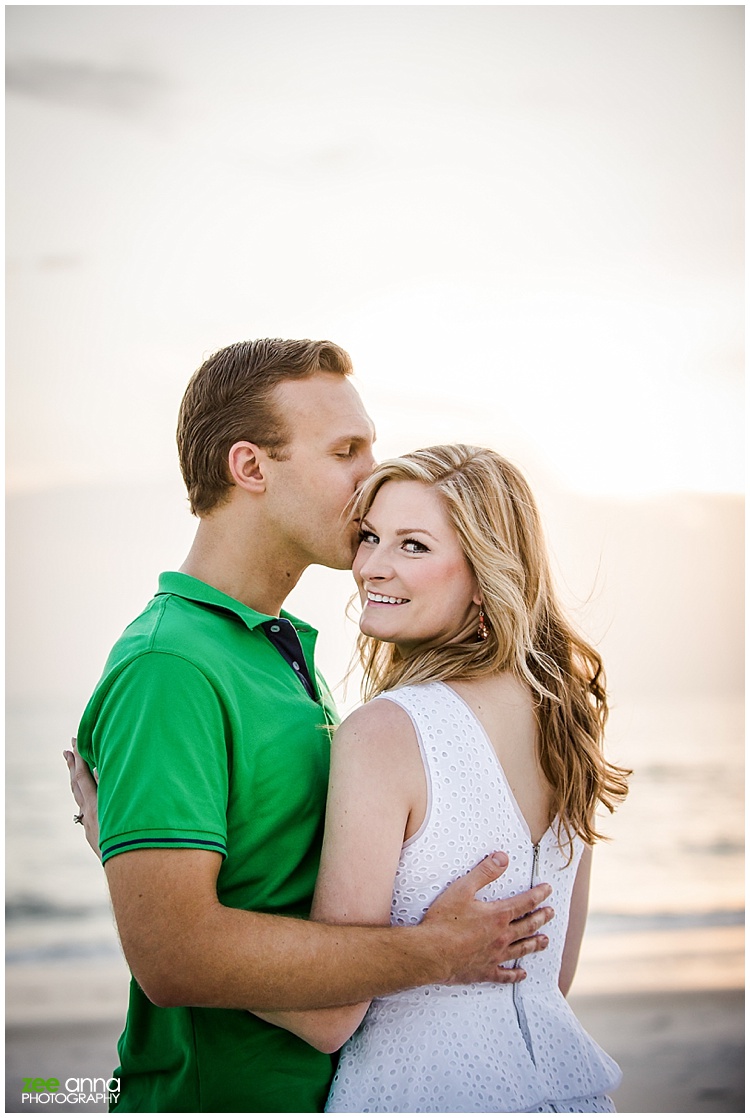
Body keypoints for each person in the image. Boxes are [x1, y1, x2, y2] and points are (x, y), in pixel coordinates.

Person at [67, 340, 554, 1113]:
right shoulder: (171, 665)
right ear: (251, 467)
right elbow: (170, 956)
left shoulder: (281, 647)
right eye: (345, 451)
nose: (373, 478)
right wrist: (434, 952)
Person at [238, 443, 630, 1112]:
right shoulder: (567, 723)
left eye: (413, 546)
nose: (370, 566)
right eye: (370, 536)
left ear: (484, 575)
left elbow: (329, 1015)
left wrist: (176, 923)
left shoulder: (388, 732)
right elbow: (549, 976)